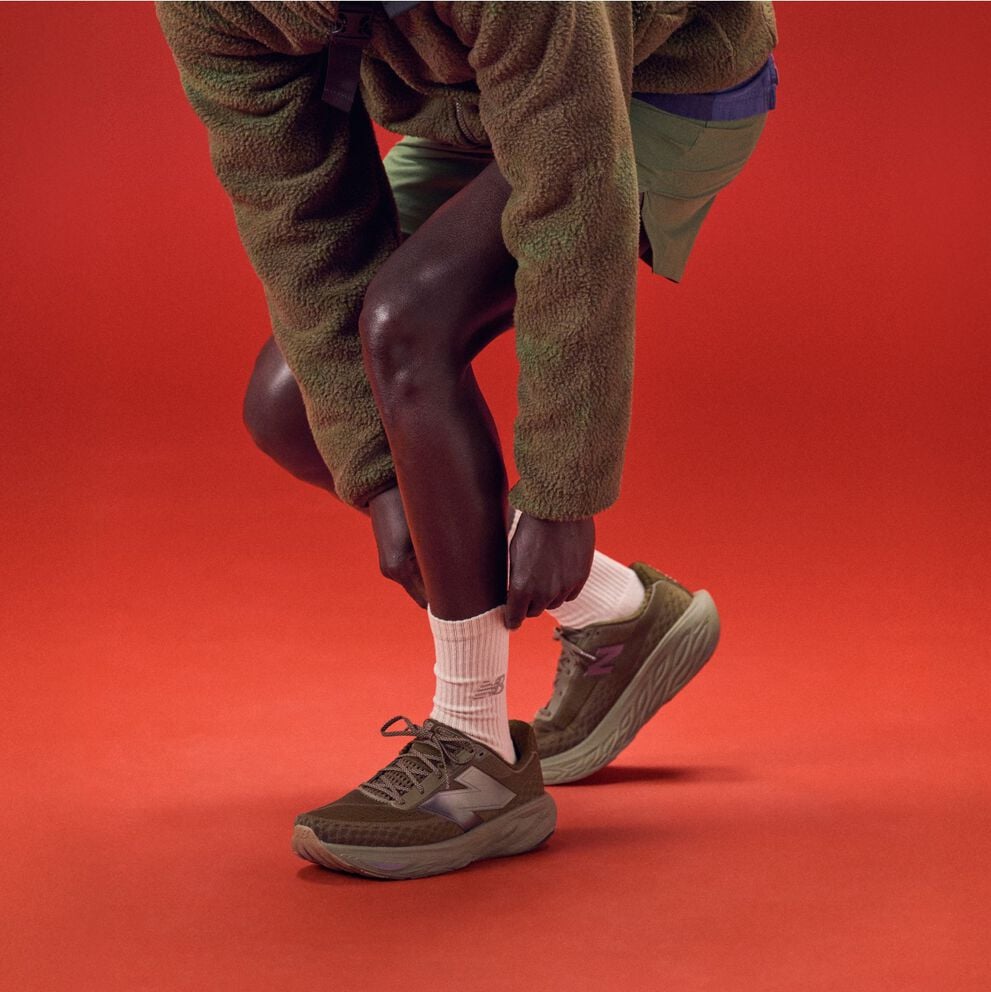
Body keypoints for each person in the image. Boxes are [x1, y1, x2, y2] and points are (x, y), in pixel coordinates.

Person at [156, 0, 778, 879]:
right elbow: (297, 216)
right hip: (488, 106)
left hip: (658, 83)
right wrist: (378, 473)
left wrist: (562, 495)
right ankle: (619, 618)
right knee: (294, 407)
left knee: (407, 323)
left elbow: (574, 191)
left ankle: (476, 753)